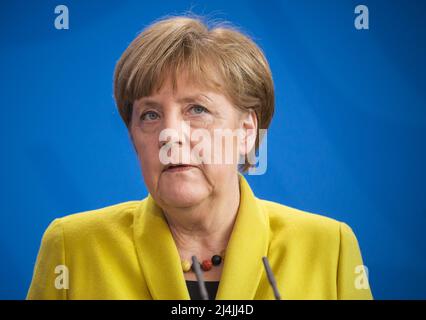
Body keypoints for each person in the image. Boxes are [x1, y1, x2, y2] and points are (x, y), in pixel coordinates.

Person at [27, 15, 373, 300]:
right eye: (149, 114)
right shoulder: (71, 247)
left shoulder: (330, 248)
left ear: (247, 130)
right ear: (133, 136)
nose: (170, 134)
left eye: (197, 109)